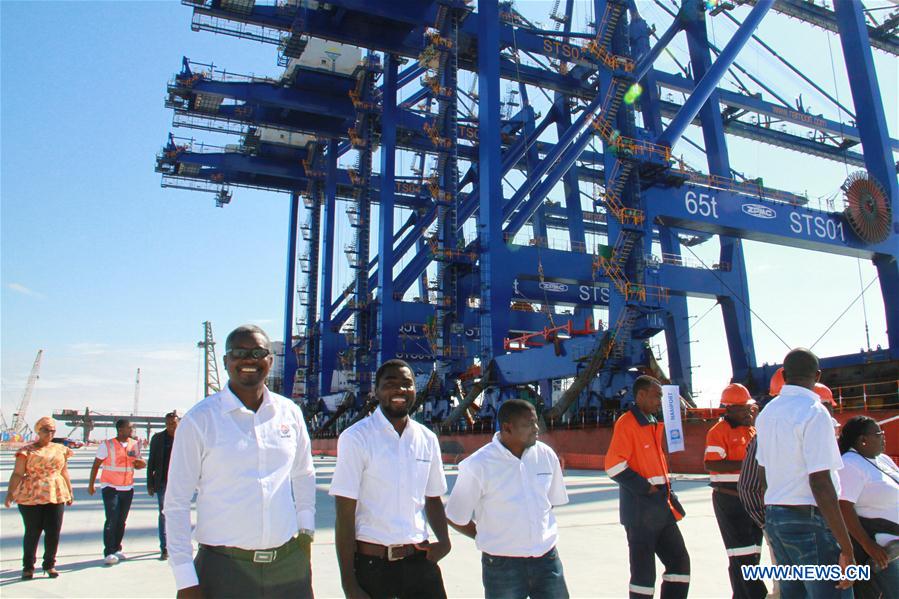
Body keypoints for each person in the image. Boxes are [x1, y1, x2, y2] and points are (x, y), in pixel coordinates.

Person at [165, 325, 316, 599]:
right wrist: (185, 578)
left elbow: (303, 474)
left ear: (270, 360)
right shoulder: (200, 420)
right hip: (223, 569)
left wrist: (306, 531)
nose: (248, 359)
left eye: (258, 352)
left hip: (287, 567)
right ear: (226, 361)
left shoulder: (290, 413)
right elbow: (176, 501)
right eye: (238, 353)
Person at [330, 358, 451, 599]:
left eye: (407, 383)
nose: (399, 390)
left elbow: (433, 498)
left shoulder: (427, 439)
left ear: (415, 389)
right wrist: (349, 584)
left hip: (420, 563)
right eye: (390, 383)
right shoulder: (356, 438)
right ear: (376, 391)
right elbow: (344, 514)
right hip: (374, 566)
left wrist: (445, 542)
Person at [755, 347, 855, 598]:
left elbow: (762, 473)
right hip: (809, 521)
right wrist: (847, 548)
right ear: (817, 376)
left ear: (784, 375)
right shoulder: (815, 412)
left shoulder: (766, 413)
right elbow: (820, 481)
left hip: (776, 518)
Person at [446, 399, 570, 599]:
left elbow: (549, 503)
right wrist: (487, 537)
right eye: (529, 424)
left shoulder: (546, 455)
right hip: (503, 566)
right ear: (507, 428)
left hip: (547, 560)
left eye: (536, 422)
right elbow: (455, 515)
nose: (536, 429)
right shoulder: (478, 464)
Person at [606, 375, 690, 599]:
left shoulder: (652, 423)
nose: (660, 401)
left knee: (679, 562)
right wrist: (647, 489)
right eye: (656, 396)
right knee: (643, 575)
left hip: (661, 507)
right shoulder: (627, 423)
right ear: (641, 395)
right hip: (640, 512)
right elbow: (613, 465)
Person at [704, 384, 767, 599]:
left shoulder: (752, 430)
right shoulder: (718, 432)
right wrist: (749, 465)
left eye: (749, 408)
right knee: (743, 554)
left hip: (753, 500)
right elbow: (711, 464)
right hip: (730, 500)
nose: (748, 413)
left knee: (750, 554)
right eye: (743, 409)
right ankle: (757, 595)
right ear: (729, 409)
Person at [3, 416, 74, 579]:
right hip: (31, 493)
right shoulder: (26, 451)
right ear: (38, 431)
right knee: (32, 531)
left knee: (53, 531)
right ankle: (28, 566)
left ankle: (49, 564)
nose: (50, 433)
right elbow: (18, 473)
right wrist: (10, 493)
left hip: (56, 493)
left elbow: (64, 471)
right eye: (46, 430)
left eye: (53, 430)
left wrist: (70, 491)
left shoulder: (60, 449)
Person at [837, 416, 899, 599]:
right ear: (862, 440)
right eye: (879, 434)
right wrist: (868, 545)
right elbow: (844, 507)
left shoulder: (882, 459)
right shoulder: (850, 463)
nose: (884, 437)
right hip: (882, 552)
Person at [88, 418, 146, 565]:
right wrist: (91, 484)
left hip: (127, 487)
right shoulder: (107, 445)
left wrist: (141, 464)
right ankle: (108, 552)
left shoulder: (134, 444)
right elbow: (96, 465)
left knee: (121, 520)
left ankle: (117, 548)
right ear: (120, 429)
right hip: (110, 486)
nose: (132, 430)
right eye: (129, 428)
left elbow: (138, 462)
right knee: (112, 518)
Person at [148, 411, 179, 560]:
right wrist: (150, 483)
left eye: (173, 423)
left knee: (179, 514)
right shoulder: (158, 439)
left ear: (178, 423)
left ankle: (177, 545)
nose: (170, 426)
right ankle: (164, 547)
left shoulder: (184, 437)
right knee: (163, 514)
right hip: (162, 482)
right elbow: (151, 462)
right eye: (167, 424)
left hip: (180, 482)